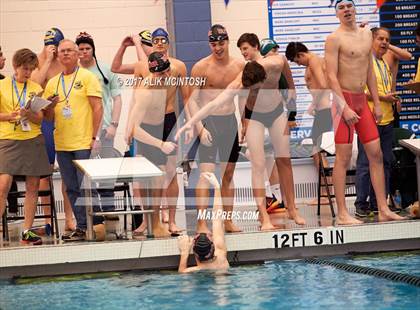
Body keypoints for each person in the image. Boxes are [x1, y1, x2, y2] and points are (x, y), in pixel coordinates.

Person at [177, 54, 306, 229]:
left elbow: (288, 75)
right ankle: (264, 217)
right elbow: (212, 105)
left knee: (284, 159)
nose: (252, 93)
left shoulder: (275, 63)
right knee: (258, 164)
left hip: (276, 112)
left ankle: (292, 208)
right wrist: (191, 123)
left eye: (254, 89)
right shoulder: (238, 82)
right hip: (255, 116)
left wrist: (292, 101)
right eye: (249, 90)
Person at [324, 0, 404, 224]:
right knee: (343, 158)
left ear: (354, 9)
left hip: (362, 101)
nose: (347, 10)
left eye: (349, 6)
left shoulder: (366, 34)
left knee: (376, 154)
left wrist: (377, 102)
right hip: (344, 103)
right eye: (341, 8)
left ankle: (382, 209)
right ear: (337, 14)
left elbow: (369, 68)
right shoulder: (334, 39)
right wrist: (344, 107)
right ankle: (342, 213)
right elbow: (331, 76)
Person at [128, 28, 190, 235]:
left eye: (164, 40)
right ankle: (149, 222)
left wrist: (190, 124)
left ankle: (170, 221)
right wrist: (129, 129)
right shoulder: (143, 80)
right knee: (147, 176)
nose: (166, 76)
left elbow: (187, 98)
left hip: (169, 121)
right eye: (157, 41)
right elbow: (135, 110)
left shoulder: (178, 66)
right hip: (147, 126)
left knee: (171, 174)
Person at [43, 39, 104, 241]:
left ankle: (96, 225)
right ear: (58, 56)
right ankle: (82, 226)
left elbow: (98, 108)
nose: (66, 54)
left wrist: (95, 138)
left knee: (86, 186)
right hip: (62, 143)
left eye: (70, 50)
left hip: (84, 142)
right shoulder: (52, 83)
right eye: (62, 51)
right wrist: (49, 107)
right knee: (71, 188)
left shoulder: (87, 77)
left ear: (77, 54)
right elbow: (48, 118)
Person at [187, 24, 245, 233]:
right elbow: (191, 101)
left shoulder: (240, 66)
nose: (217, 48)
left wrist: (244, 122)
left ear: (228, 41)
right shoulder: (200, 68)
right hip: (209, 123)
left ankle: (227, 220)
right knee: (206, 175)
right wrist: (200, 129)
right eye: (213, 44)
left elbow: (243, 97)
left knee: (228, 174)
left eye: (221, 43)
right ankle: (202, 223)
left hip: (230, 122)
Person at [0, 48, 57, 245]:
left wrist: (28, 114)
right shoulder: (2, 85)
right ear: (15, 66)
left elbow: (39, 119)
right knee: (4, 184)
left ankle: (26, 231)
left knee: (33, 186)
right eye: (24, 68)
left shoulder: (35, 87)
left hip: (32, 138)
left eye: (31, 69)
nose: (27, 73)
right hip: (8, 139)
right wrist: (11, 116)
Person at [354, 27, 407, 217]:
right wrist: (382, 98)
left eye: (387, 39)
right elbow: (359, 90)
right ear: (371, 40)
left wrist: (389, 99)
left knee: (385, 162)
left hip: (387, 119)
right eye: (380, 39)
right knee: (365, 163)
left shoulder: (385, 61)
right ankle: (361, 203)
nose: (384, 42)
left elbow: (407, 55)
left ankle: (379, 202)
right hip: (369, 118)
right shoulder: (364, 61)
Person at [31, 27, 76, 232]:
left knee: (68, 173)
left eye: (55, 46)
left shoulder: (65, 63)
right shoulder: (38, 61)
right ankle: (49, 221)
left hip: (65, 122)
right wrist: (48, 60)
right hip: (46, 124)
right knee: (44, 174)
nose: (53, 50)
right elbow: (34, 86)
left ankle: (69, 218)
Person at [237, 33, 285, 214]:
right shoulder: (247, 69)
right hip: (255, 116)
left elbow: (284, 85)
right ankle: (274, 197)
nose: (243, 52)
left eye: (245, 48)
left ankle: (274, 197)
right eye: (241, 50)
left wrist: (290, 113)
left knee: (266, 158)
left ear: (256, 46)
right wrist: (243, 122)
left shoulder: (273, 64)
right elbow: (242, 97)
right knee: (262, 158)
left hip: (272, 114)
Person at [76, 32, 122, 218]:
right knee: (85, 175)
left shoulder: (105, 70)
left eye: (87, 49)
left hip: (105, 130)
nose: (84, 52)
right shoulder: (75, 73)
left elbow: (117, 99)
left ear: (93, 50)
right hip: (82, 131)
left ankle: (109, 212)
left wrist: (114, 125)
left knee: (107, 173)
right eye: (81, 49)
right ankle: (92, 214)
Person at [285, 41, 333, 206]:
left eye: (297, 61)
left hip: (324, 111)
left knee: (318, 151)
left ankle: (327, 194)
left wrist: (313, 104)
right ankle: (326, 193)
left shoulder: (313, 61)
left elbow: (324, 86)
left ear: (300, 54)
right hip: (323, 111)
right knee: (318, 151)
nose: (298, 64)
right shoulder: (315, 61)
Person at [178, 172, 229, 273]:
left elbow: (181, 271)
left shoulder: (193, 270)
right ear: (213, 247)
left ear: (195, 253)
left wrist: (184, 252)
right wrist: (217, 187)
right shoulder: (221, 257)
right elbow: (217, 218)